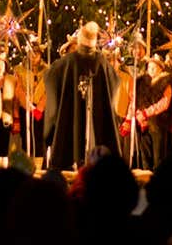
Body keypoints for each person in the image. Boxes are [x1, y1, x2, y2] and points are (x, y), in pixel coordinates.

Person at [43, 20, 122, 170]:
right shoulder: (102, 62)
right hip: (96, 118)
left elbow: (49, 76)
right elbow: (115, 82)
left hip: (70, 118)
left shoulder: (66, 63)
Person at [122, 55, 172, 168]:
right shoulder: (141, 82)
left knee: (158, 156)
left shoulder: (165, 82)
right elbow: (134, 102)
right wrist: (129, 119)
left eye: (154, 67)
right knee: (145, 155)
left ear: (161, 68)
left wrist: (146, 113)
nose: (151, 70)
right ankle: (146, 178)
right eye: (150, 67)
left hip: (157, 123)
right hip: (142, 124)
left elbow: (164, 103)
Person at [12, 37, 49, 164]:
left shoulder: (47, 70)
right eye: (31, 54)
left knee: (39, 138)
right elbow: (18, 89)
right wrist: (27, 105)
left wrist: (40, 107)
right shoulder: (19, 70)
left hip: (40, 109)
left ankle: (38, 167)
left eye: (36, 54)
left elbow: (47, 90)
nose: (34, 57)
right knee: (26, 137)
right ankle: (26, 165)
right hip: (25, 108)